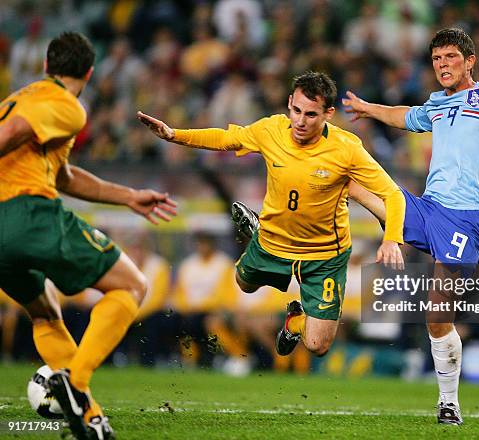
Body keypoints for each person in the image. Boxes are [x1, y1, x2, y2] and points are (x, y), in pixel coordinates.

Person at [342, 28, 479, 425]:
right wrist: (367, 107)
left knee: (437, 316)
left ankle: (449, 402)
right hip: (430, 207)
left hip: (468, 217)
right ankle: (280, 240)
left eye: (450, 57)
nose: (443, 65)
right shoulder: (437, 104)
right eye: (437, 59)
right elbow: (406, 117)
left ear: (469, 60)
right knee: (348, 181)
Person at [137, 71, 405, 360]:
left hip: (324, 255)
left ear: (329, 113)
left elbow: (393, 194)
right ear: (289, 103)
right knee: (244, 284)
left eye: (311, 115)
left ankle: (296, 320)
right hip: (275, 241)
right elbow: (229, 138)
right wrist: (175, 135)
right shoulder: (272, 129)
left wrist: (391, 239)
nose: (300, 121)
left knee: (318, 345)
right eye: (296, 110)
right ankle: (257, 233)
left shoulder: (347, 149)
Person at [0, 32, 177, 440]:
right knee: (131, 285)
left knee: (45, 313)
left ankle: (91, 419)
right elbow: (12, 133)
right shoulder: (67, 106)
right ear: (90, 73)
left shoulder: (24, 96)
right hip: (29, 213)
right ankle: (77, 384)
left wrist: (129, 196)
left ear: (46, 65)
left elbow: (64, 176)